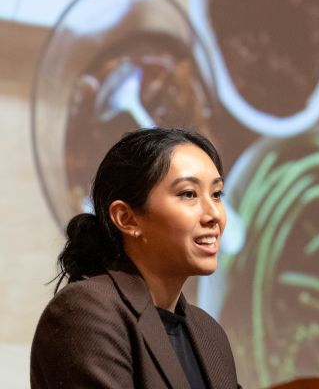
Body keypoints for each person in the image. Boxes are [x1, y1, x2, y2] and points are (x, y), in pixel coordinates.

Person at [30, 127, 241, 388]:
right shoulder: (88, 311)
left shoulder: (209, 333)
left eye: (217, 194)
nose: (214, 215)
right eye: (188, 194)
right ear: (127, 218)